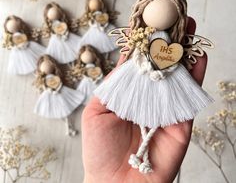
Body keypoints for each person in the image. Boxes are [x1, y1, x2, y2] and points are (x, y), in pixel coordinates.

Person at [82, 18, 207, 183]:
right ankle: (142, 156)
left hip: (162, 73)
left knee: (161, 119)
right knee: (156, 122)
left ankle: (143, 156)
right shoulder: (142, 45)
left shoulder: (156, 44)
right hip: (144, 72)